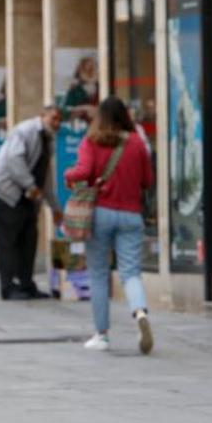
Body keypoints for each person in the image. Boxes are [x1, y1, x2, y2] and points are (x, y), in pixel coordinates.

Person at [63, 97, 155, 353]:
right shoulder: (137, 142)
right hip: (131, 215)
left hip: (101, 213)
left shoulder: (92, 141)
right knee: (130, 272)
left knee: (99, 274)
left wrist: (68, 176)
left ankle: (102, 335)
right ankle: (139, 313)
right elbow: (148, 180)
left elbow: (83, 171)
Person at [0, 106, 62, 299]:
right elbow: (13, 160)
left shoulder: (48, 139)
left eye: (60, 120)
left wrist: (54, 207)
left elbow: (46, 176)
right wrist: (31, 186)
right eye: (54, 118)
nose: (57, 123)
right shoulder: (25, 130)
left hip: (27, 195)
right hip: (4, 192)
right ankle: (8, 287)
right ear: (42, 115)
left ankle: (27, 284)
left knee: (29, 239)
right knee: (7, 241)